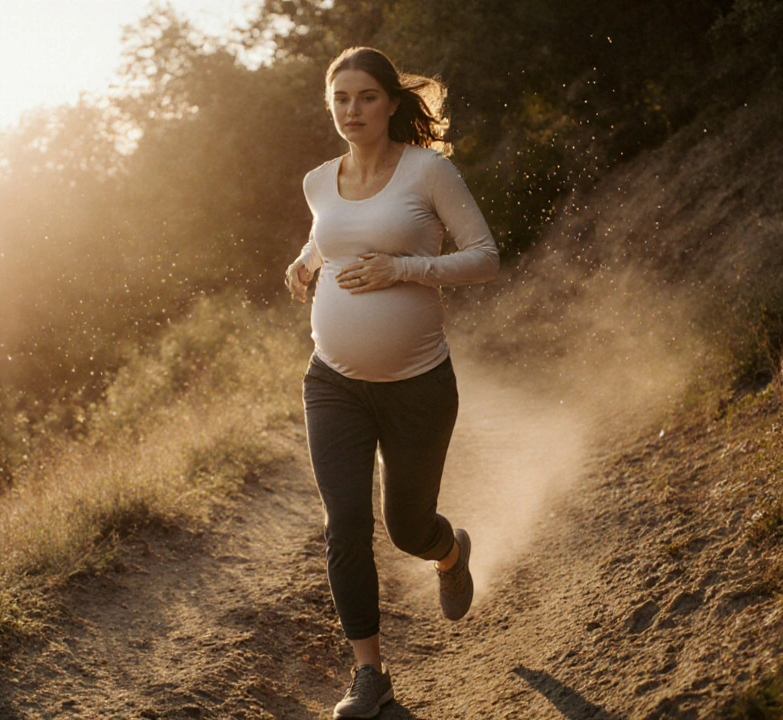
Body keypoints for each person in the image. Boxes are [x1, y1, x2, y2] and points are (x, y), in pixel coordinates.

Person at [284, 46, 499, 719]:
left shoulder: (429, 171)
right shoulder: (319, 180)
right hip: (333, 383)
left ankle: (447, 552)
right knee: (344, 525)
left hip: (418, 385)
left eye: (366, 97)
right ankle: (369, 677)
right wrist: (301, 263)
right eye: (340, 99)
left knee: (405, 527)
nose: (352, 110)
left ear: (390, 102)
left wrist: (402, 269)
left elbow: (484, 259)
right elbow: (330, 236)